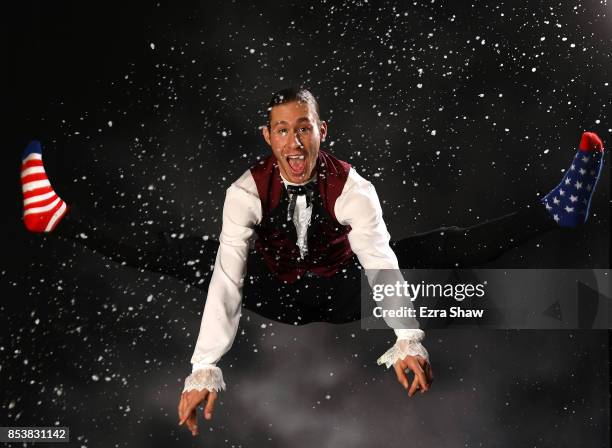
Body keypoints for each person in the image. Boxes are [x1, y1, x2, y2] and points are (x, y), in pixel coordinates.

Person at [19, 87, 605, 437]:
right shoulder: (244, 193)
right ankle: (55, 217)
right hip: (275, 294)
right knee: (189, 256)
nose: (295, 144)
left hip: (347, 291)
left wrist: (407, 339)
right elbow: (227, 280)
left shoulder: (355, 189)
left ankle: (557, 212)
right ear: (267, 138)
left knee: (430, 247)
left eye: (305, 129)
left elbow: (379, 261)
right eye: (282, 131)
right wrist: (202, 369)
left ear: (322, 131)